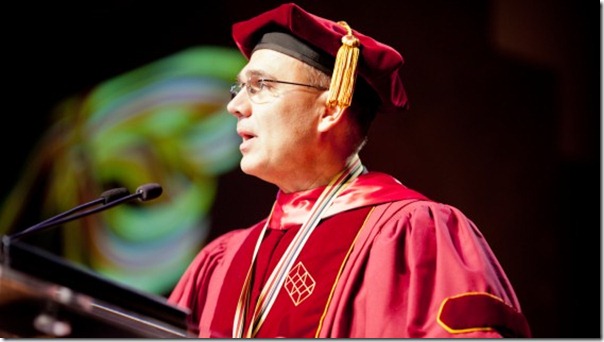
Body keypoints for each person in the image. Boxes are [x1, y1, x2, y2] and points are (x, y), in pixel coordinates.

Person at [168, 2, 531, 338]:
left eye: (260, 85)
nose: (235, 105)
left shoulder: (414, 237)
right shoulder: (220, 261)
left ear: (329, 110)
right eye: (239, 87)